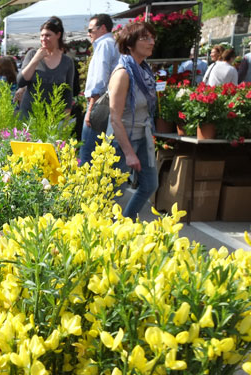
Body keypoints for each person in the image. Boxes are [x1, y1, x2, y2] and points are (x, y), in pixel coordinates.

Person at [107, 21, 158, 220]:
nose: (151, 42)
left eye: (152, 37)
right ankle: (104, 235)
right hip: (122, 141)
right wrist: (129, 153)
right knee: (114, 193)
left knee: (150, 185)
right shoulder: (122, 73)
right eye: (145, 38)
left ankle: (126, 223)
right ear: (130, 44)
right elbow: (115, 118)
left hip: (142, 135)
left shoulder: (144, 71)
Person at [78, 13, 119, 166]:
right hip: (106, 103)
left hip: (99, 103)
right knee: (97, 153)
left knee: (87, 153)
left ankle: (85, 188)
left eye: (91, 30)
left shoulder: (104, 44)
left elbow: (100, 80)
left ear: (102, 28)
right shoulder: (111, 43)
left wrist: (90, 109)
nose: (89, 34)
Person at [17, 16, 75, 119]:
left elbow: (68, 93)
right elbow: (21, 82)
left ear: (58, 35)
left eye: (48, 35)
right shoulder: (32, 54)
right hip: (29, 115)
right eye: (41, 35)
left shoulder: (67, 62)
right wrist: (35, 60)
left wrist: (66, 122)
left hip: (53, 118)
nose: (43, 39)